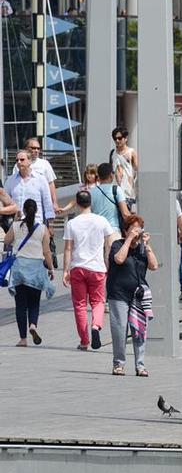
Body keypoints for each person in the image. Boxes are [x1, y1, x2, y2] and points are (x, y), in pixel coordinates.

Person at [62, 190, 118, 351]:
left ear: (77, 204)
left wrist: (66, 270)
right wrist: (108, 264)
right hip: (97, 268)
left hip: (78, 268)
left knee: (79, 305)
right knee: (98, 302)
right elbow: (109, 245)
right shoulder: (102, 221)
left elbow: (67, 248)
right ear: (90, 203)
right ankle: (96, 326)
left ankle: (84, 341)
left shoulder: (72, 223)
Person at [106, 214, 159, 376]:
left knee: (139, 329)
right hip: (118, 293)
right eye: (133, 229)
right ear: (125, 230)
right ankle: (119, 364)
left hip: (138, 295)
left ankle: (140, 365)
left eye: (139, 228)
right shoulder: (117, 244)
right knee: (120, 329)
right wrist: (129, 240)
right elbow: (119, 259)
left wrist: (147, 246)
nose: (137, 232)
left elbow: (154, 266)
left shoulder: (142, 249)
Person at [5, 199, 54, 347]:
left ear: (24, 211)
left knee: (20, 305)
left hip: (19, 268)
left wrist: (15, 220)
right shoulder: (42, 229)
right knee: (34, 303)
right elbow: (46, 251)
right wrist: (51, 268)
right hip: (36, 269)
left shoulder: (16, 226)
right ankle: (33, 325)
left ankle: (23, 339)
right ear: (36, 211)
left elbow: (7, 241)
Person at [4, 150, 54, 225]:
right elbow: (4, 201)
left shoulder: (41, 179)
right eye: (17, 160)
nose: (19, 162)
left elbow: (48, 204)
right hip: (16, 224)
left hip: (36, 224)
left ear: (30, 161)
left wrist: (51, 226)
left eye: (22, 159)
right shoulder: (10, 181)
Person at [90, 163, 131, 232]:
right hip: (112, 230)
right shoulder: (116, 190)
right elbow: (125, 214)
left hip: (96, 231)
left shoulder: (91, 192)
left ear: (98, 176)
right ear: (111, 175)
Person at [24, 138, 58, 216]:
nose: (36, 150)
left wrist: (55, 203)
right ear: (26, 149)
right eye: (33, 148)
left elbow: (51, 183)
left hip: (41, 205)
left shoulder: (44, 163)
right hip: (25, 205)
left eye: (38, 148)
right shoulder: (19, 164)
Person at [109, 127, 138, 208]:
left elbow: (137, 170)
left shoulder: (131, 152)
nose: (117, 141)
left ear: (125, 138)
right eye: (115, 138)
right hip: (114, 190)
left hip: (128, 191)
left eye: (119, 138)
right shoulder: (112, 153)